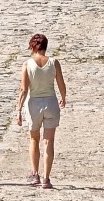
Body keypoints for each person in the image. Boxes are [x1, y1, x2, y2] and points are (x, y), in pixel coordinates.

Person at [14, 32, 67, 189]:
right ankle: (46, 178)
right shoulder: (54, 62)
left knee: (34, 139)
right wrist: (63, 97)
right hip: (50, 103)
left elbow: (24, 89)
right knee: (49, 141)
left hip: (33, 104)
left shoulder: (27, 64)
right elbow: (61, 83)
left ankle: (35, 173)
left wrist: (18, 109)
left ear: (33, 46)